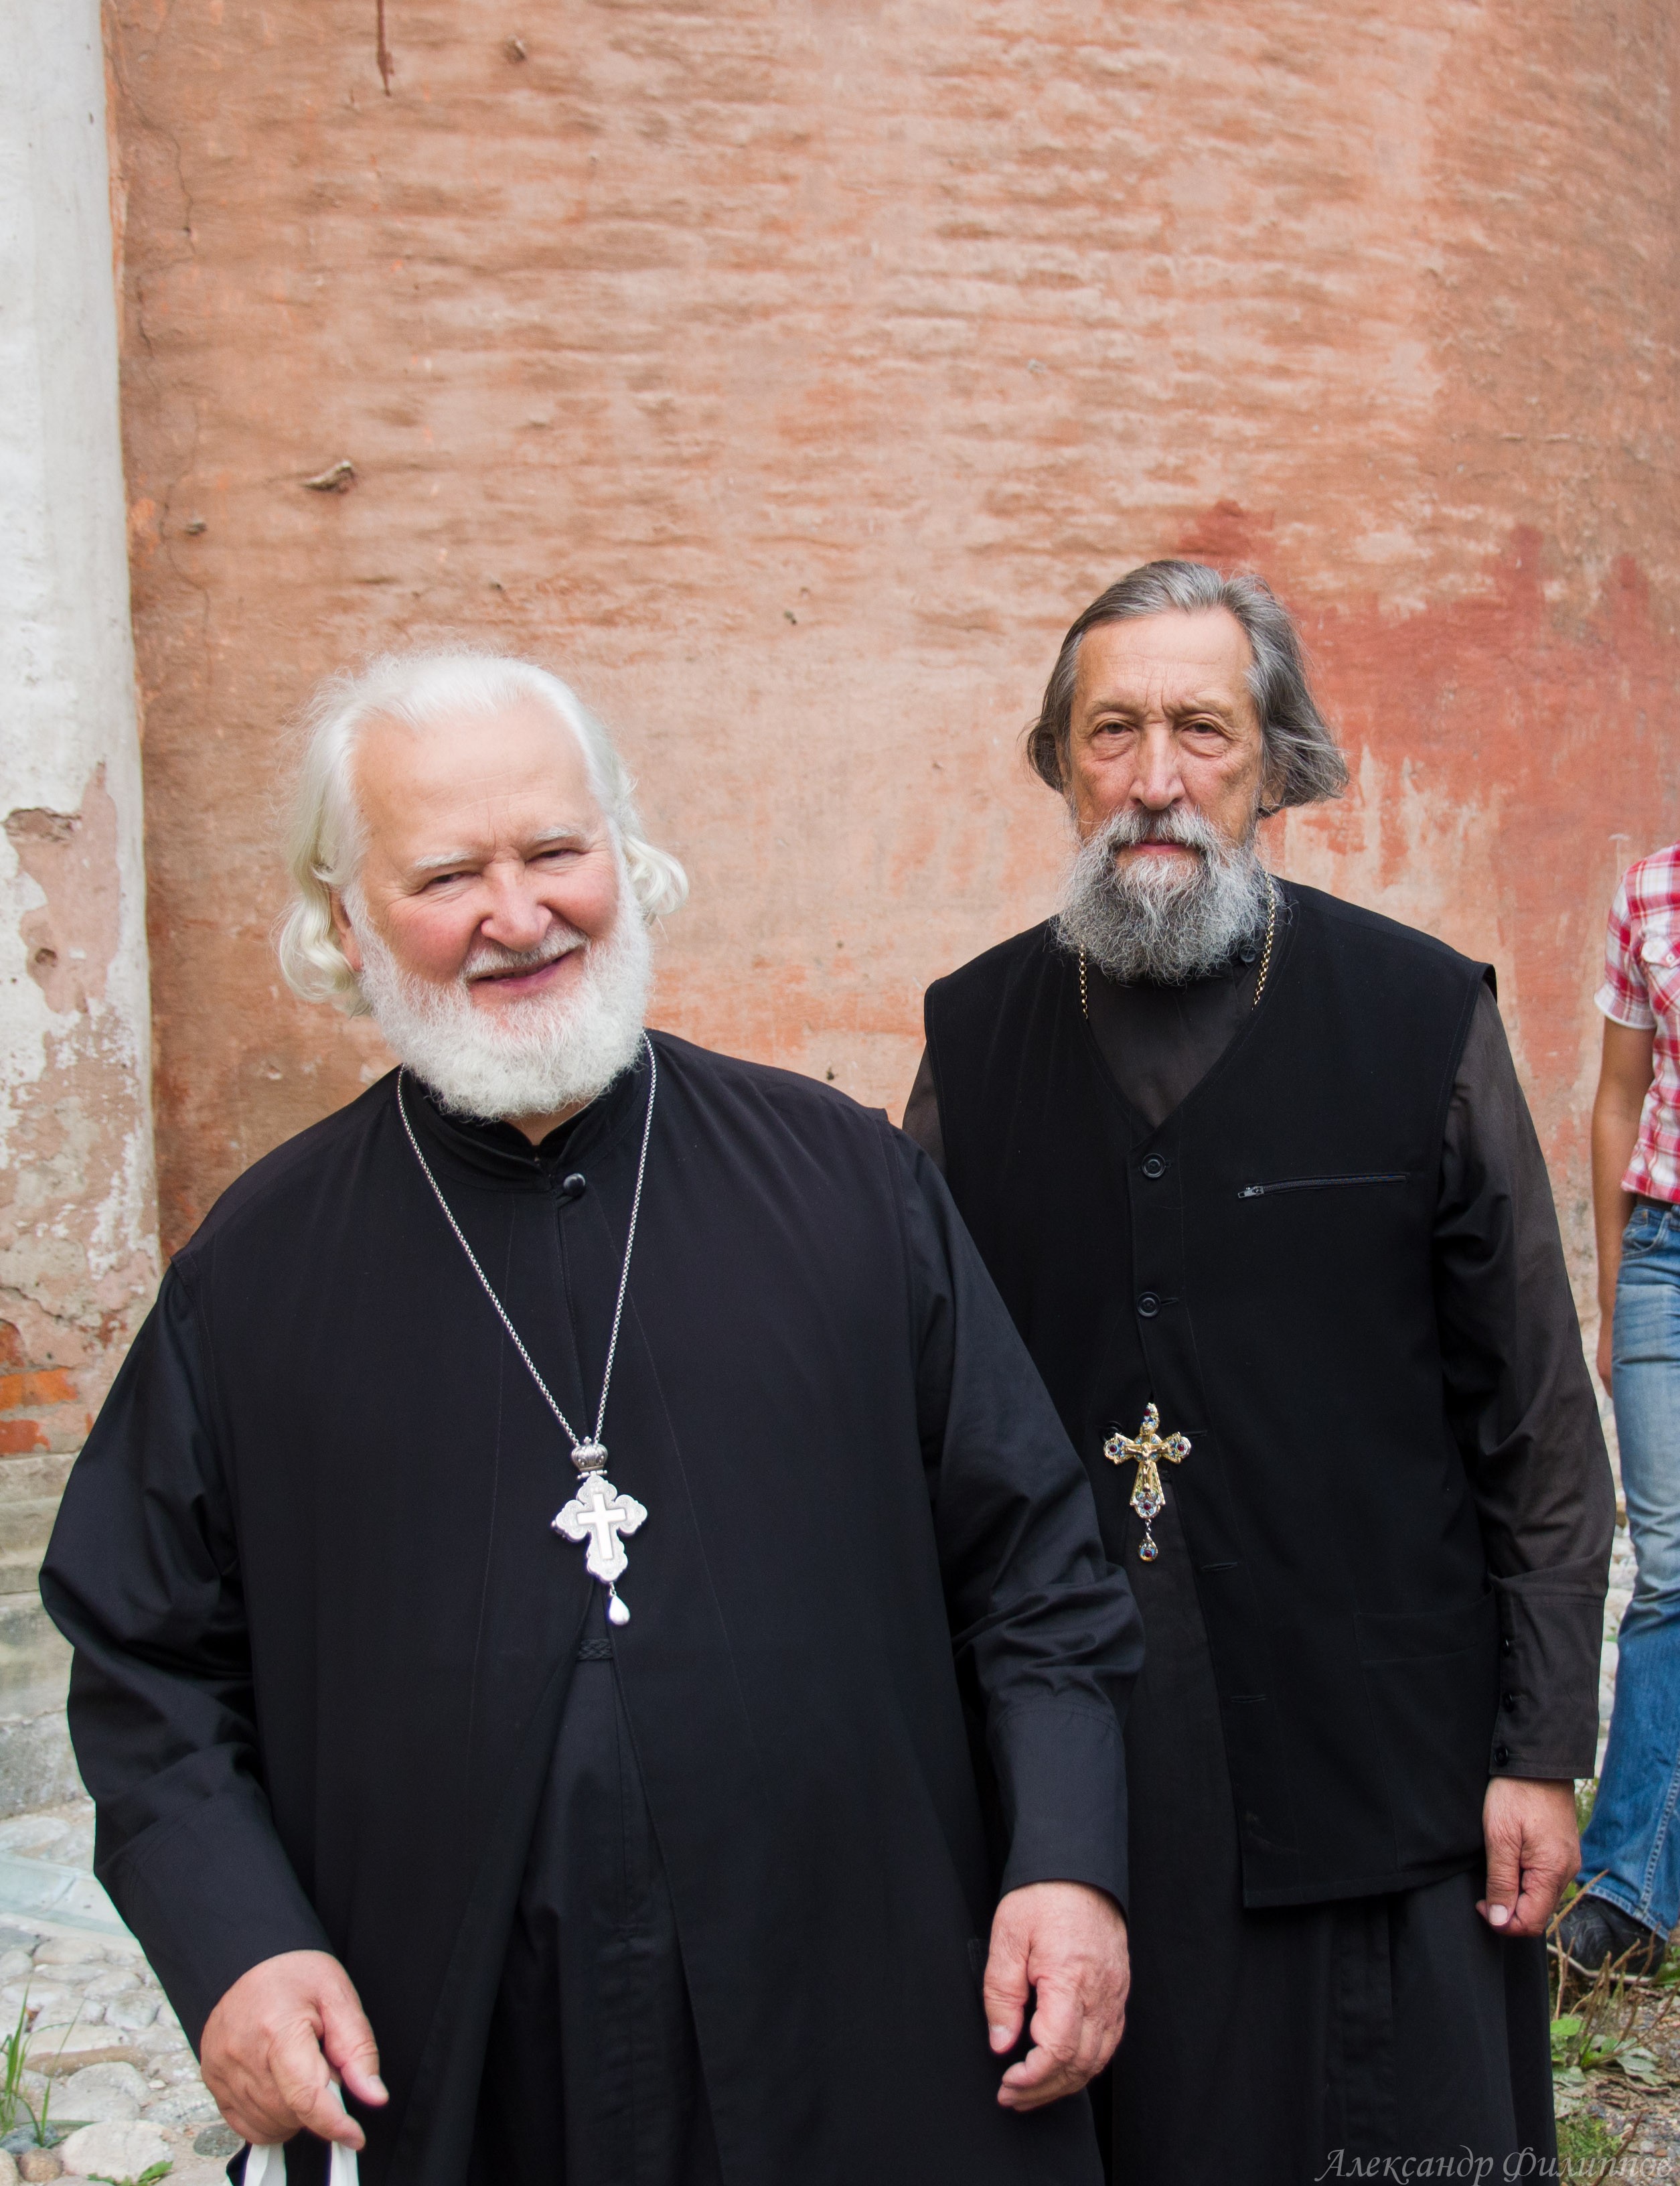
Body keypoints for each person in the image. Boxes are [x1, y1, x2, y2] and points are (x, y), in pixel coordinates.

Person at [42, 650, 1142, 2186]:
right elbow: (147, 1660)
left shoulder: (845, 1183)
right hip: (458, 2070)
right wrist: (237, 1949)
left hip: (870, 2026)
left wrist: (1070, 1864)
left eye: (557, 850)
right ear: (346, 921)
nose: (519, 915)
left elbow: (1033, 1569)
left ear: (624, 855)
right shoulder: (257, 1271)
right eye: (447, 875)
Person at [903, 561, 1615, 2184]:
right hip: (1083, 1759)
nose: (1154, 777)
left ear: (1275, 761)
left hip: (1379, 1747)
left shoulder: (1420, 1018)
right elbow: (912, 1401)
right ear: (1060, 763)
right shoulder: (975, 1038)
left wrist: (1536, 1744)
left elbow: (1532, 1420)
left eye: (1201, 731)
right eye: (1113, 732)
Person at [1556, 843, 1680, 1980]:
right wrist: (1611, 1288)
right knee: (1670, 1568)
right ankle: (1627, 1892)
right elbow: (1616, 1096)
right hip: (1664, 1256)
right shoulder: (1650, 888)